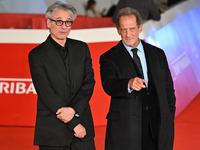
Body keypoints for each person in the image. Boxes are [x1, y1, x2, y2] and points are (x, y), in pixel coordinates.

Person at [100, 7, 176, 150]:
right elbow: (108, 85)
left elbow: (168, 88)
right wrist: (128, 83)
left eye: (132, 29)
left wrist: (168, 115)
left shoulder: (158, 54)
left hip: (158, 126)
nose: (128, 34)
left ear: (140, 28)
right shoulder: (108, 57)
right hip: (127, 129)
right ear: (118, 30)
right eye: (123, 29)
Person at [28, 1, 96, 150]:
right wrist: (74, 123)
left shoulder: (82, 48)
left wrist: (74, 111)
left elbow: (89, 83)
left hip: (83, 127)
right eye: (59, 21)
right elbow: (46, 93)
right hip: (53, 131)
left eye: (68, 22)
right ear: (48, 23)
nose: (64, 26)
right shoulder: (36, 55)